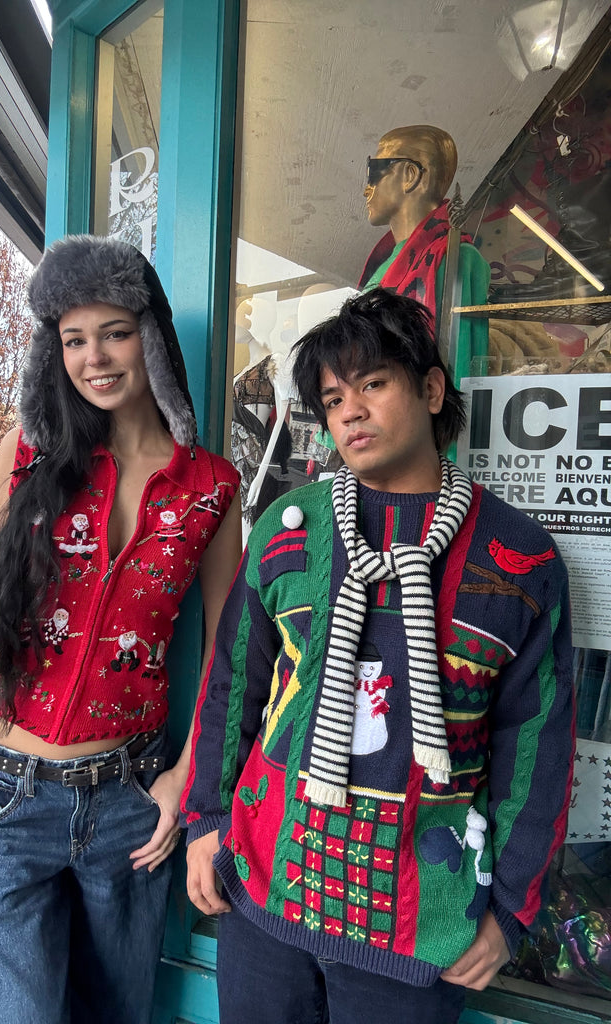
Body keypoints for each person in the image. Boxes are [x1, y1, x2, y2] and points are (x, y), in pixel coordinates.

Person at [182, 288, 574, 1024]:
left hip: (420, 929)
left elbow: (537, 746)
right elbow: (233, 683)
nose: (351, 412)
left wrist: (512, 910)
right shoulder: (287, 531)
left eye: (372, 384)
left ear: (431, 391)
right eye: (333, 400)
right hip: (266, 895)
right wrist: (204, 819)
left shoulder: (517, 559)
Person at [0, 235, 241, 1024]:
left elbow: (227, 649)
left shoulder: (211, 487)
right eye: (73, 339)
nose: (94, 357)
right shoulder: (27, 452)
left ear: (151, 337)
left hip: (127, 802)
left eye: (115, 333)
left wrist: (188, 778)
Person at [359, 124, 490, 378]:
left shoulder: (456, 258)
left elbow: (463, 371)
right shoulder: (385, 264)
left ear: (410, 175)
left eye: (373, 172)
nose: (367, 189)